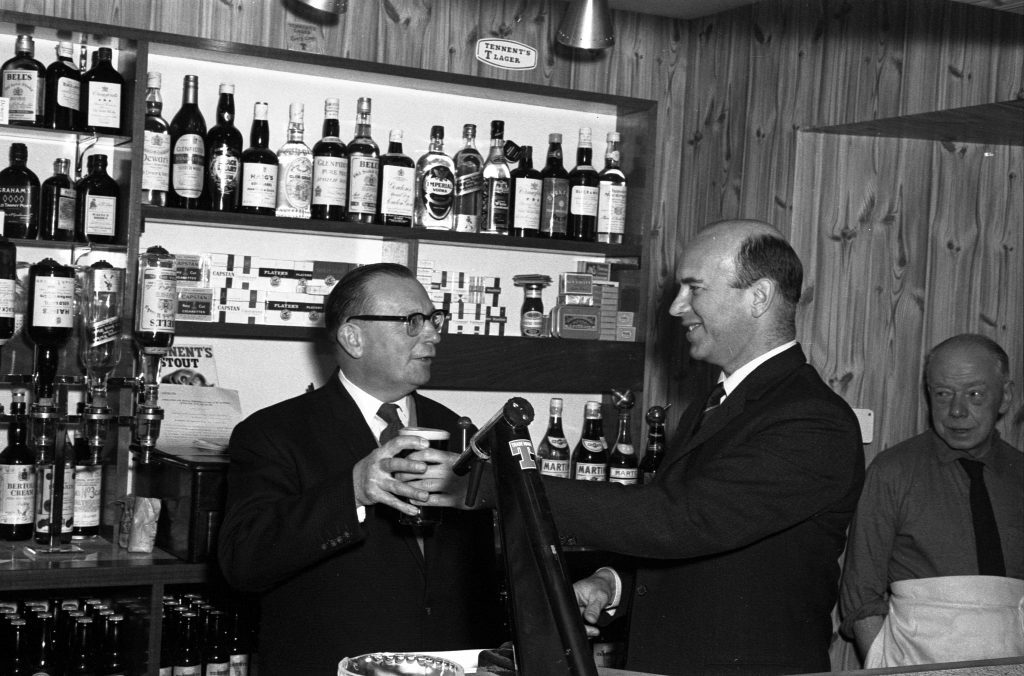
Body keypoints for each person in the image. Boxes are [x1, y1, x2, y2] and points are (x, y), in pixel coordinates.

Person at [543, 219, 865, 674]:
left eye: (695, 289)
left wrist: (516, 487)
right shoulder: (714, 403)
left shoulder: (813, 421)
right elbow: (696, 552)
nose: (677, 308)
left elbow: (682, 520)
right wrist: (610, 584)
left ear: (759, 297)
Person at [217, 263, 504, 674]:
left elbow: (481, 567)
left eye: (433, 319)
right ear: (353, 337)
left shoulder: (457, 431)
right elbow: (243, 561)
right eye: (412, 321)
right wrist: (351, 490)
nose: (433, 334)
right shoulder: (273, 433)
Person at [839, 334, 1024, 668]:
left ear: (1006, 397)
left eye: (975, 394)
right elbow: (860, 592)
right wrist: (886, 665)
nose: (956, 410)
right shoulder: (893, 471)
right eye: (942, 394)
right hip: (913, 662)